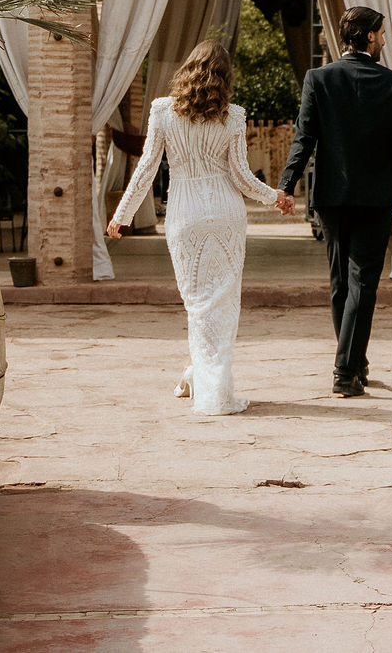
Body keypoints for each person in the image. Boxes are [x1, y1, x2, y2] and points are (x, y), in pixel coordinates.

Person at [107, 39, 293, 416]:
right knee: (222, 301)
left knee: (198, 303)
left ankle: (210, 388)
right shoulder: (233, 116)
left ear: (188, 69)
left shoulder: (162, 111)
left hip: (185, 213)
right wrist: (275, 196)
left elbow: (146, 168)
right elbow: (241, 177)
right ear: (225, 77)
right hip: (226, 213)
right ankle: (206, 380)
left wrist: (121, 215)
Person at [276, 6, 392, 398]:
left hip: (332, 197)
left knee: (341, 282)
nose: (384, 40)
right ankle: (344, 371)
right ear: (369, 36)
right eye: (382, 34)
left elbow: (304, 137)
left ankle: (356, 362)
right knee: (362, 282)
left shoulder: (319, 78)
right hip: (376, 198)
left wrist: (287, 184)